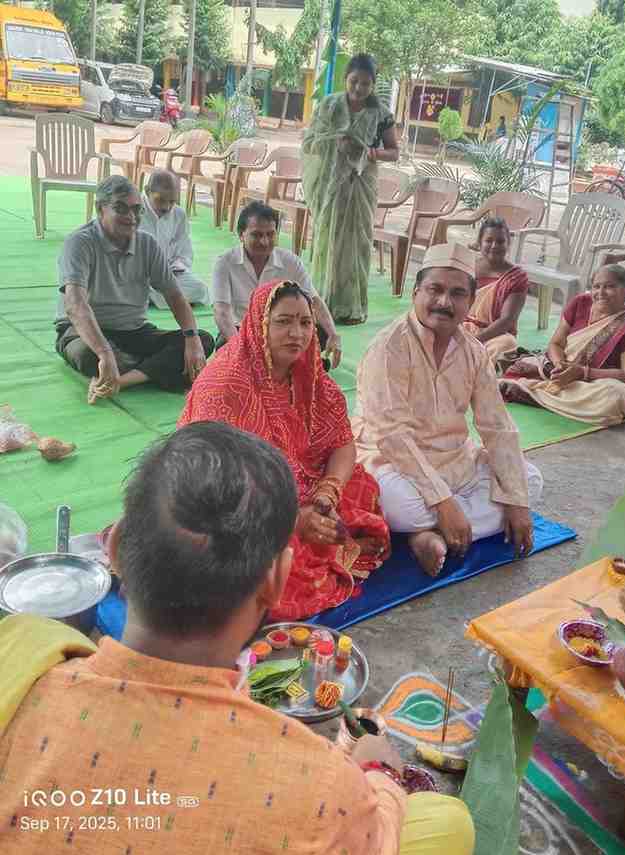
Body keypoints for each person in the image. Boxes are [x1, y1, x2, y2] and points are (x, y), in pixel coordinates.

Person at [0, 422, 475, 855]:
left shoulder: (18, 656)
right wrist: (381, 775)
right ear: (277, 580)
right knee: (449, 822)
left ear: (116, 549)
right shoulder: (323, 788)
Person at [179, 280, 391, 620]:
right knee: (263, 566)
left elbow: (342, 443)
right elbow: (213, 481)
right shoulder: (224, 384)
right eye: (283, 322)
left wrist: (327, 493)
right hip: (236, 506)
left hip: (302, 491)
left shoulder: (312, 377)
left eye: (306, 322)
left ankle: (322, 541)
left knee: (363, 485)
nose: (298, 333)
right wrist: (291, 519)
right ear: (259, 325)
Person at [352, 243, 543, 578]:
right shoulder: (389, 347)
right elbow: (391, 436)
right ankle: (430, 525)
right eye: (435, 290)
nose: (444, 302)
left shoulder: (473, 350)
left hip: (456, 459)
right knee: (399, 506)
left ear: (470, 302)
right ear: (415, 293)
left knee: (530, 482)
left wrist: (516, 499)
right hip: (391, 461)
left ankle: (429, 535)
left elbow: (496, 425)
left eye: (457, 294)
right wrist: (442, 502)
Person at [55, 175, 214, 404]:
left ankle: (121, 379)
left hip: (134, 330)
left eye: (136, 209)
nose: (131, 217)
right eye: (120, 209)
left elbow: (175, 295)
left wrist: (192, 339)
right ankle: (150, 369)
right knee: (86, 355)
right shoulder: (79, 243)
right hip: (82, 330)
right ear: (100, 209)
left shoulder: (147, 243)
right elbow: (75, 305)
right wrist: (104, 352)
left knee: (202, 340)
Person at [302, 53, 399, 325]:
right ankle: (322, 302)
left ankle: (350, 306)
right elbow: (310, 141)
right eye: (354, 81)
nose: (359, 88)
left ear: (373, 84)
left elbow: (394, 152)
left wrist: (368, 152)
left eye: (365, 84)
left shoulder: (381, 114)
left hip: (360, 185)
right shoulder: (329, 106)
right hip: (331, 184)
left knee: (357, 243)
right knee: (327, 239)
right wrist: (334, 141)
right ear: (346, 79)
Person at [500, 264, 625, 426]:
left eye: (610, 286)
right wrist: (559, 365)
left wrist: (582, 372)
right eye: (596, 287)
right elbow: (556, 343)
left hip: (604, 379)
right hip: (565, 369)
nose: (601, 293)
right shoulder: (580, 302)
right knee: (519, 368)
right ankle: (555, 395)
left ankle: (532, 393)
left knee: (613, 399)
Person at [212, 200, 341, 367]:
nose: (264, 241)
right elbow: (222, 312)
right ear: (241, 235)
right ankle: (292, 365)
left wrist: (333, 334)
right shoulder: (225, 263)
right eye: (257, 235)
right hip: (242, 332)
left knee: (320, 332)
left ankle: (275, 364)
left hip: (281, 332)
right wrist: (239, 347)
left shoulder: (291, 262)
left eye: (270, 234)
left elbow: (313, 301)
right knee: (225, 347)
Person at [138, 168, 209, 308]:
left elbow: (184, 251)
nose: (167, 207)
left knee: (199, 288)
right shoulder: (134, 210)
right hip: (136, 275)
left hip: (167, 275)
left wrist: (176, 267)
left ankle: (154, 298)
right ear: (147, 191)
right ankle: (164, 298)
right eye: (161, 200)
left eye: (172, 201)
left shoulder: (179, 214)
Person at [464, 217, 529, 364]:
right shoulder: (466, 266)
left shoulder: (516, 277)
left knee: (507, 344)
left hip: (494, 335)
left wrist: (474, 341)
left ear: (508, 244)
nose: (494, 246)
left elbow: (506, 320)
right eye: (488, 240)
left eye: (500, 241)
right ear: (480, 243)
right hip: (461, 327)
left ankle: (481, 377)